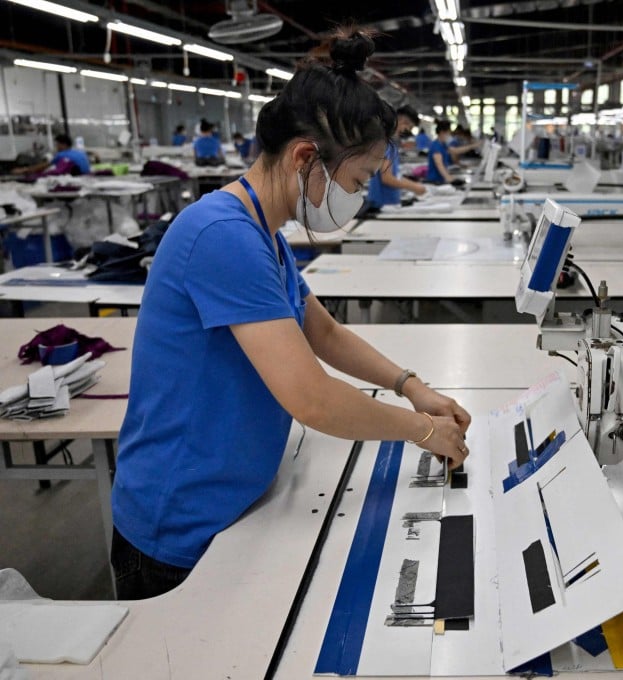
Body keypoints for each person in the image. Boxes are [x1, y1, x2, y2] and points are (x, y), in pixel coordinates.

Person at [110, 25, 472, 600]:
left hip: (236, 499)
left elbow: (321, 331)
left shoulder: (262, 232)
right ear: (306, 157)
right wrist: (422, 431)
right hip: (179, 525)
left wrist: (411, 386)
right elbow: (312, 399)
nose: (356, 197)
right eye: (356, 180)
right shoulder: (222, 235)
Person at [365, 105, 427, 210]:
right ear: (403, 121)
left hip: (386, 203)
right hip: (382, 205)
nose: (407, 130)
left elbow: (395, 175)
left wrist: (415, 185)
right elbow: (386, 178)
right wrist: (415, 187)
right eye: (409, 127)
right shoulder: (387, 144)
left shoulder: (389, 142)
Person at [425, 120, 480, 184]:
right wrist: (450, 178)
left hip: (440, 180)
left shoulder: (442, 144)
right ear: (442, 133)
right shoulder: (436, 146)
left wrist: (472, 146)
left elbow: (455, 151)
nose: (449, 135)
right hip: (435, 182)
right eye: (448, 133)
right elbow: (439, 164)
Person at [12, 133, 91, 176]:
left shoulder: (62, 155)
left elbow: (45, 165)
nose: (56, 147)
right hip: (85, 176)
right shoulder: (79, 153)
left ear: (64, 144)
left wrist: (25, 170)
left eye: (57, 144)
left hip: (76, 177)